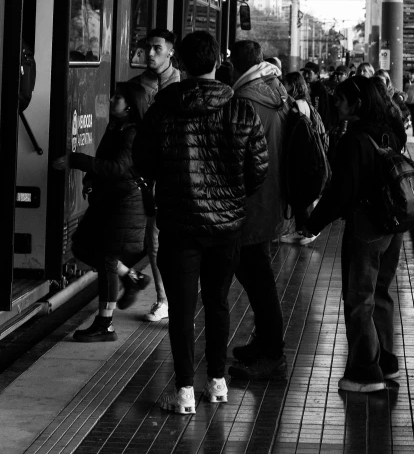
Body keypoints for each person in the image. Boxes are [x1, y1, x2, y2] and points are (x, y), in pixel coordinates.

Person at [133, 31, 269, 414]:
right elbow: (259, 169)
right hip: (226, 227)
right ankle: (217, 382)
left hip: (178, 225)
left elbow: (141, 161)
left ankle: (183, 392)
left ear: (184, 64)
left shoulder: (163, 108)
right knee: (218, 302)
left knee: (181, 307)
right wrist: (233, 195)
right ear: (215, 64)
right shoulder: (241, 110)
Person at [303, 76, 406, 393]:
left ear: (357, 104)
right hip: (393, 224)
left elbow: (341, 193)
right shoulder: (390, 132)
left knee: (359, 298)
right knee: (381, 293)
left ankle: (364, 373)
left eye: (341, 98)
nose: (336, 103)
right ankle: (386, 363)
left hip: (367, 225)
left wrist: (313, 222)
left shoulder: (355, 140)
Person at [53, 81, 150, 342]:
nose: (111, 100)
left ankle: (104, 324)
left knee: (106, 259)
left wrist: (76, 160)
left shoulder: (133, 132)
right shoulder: (115, 126)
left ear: (129, 105)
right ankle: (131, 276)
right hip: (108, 200)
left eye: (117, 97)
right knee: (82, 247)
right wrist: (91, 179)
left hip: (124, 203)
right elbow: (105, 161)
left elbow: (117, 167)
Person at [228, 41, 291, 380]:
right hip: (272, 200)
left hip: (250, 203)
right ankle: (264, 341)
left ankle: (273, 353)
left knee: (258, 279)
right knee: (258, 276)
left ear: (235, 65)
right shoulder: (276, 92)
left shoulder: (245, 101)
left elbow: (237, 160)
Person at [131, 28, 180, 322]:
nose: (150, 53)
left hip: (178, 173)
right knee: (155, 240)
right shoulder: (137, 87)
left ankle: (177, 297)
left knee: (178, 242)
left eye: (157, 48)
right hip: (151, 175)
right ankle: (163, 300)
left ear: (170, 51)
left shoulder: (183, 84)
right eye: (148, 47)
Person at [281, 71, 329, 245]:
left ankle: (307, 230)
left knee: (302, 193)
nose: (282, 87)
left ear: (293, 86)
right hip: (309, 155)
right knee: (303, 193)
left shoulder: (298, 104)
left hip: (304, 156)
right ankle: (302, 229)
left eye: (285, 83)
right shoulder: (304, 103)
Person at [301, 61, 332, 130]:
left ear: (317, 74)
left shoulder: (318, 89)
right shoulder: (311, 87)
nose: (305, 76)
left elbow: (317, 110)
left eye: (309, 73)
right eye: (305, 73)